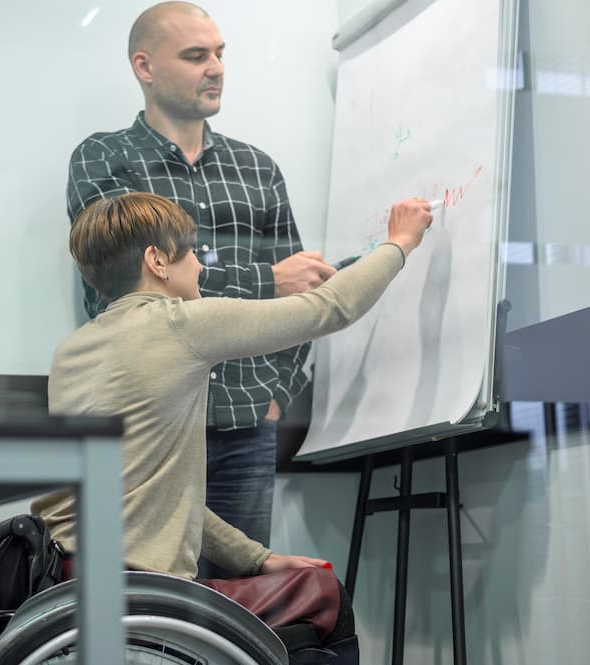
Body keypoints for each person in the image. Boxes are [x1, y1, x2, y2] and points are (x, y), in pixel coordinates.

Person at [34, 191, 433, 651]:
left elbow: (163, 499)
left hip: (68, 587)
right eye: (191, 254)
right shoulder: (181, 323)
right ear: (157, 260)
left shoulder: (71, 352)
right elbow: (329, 307)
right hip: (142, 595)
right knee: (325, 595)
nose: (201, 267)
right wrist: (399, 242)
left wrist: (258, 560)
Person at [67, 2, 334, 575]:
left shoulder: (257, 169)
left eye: (219, 53)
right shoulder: (105, 160)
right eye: (195, 56)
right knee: (147, 617)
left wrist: (275, 394)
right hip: (148, 433)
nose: (215, 67)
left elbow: (303, 298)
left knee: (239, 615)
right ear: (145, 66)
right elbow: (119, 293)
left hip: (244, 426)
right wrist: (264, 281)